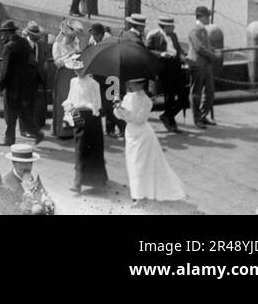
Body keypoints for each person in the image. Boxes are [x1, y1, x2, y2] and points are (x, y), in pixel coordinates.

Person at [115, 79, 187, 202]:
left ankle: (140, 196)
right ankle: (138, 194)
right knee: (132, 164)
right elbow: (119, 116)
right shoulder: (128, 97)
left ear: (142, 84)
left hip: (143, 135)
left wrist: (123, 111)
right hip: (130, 133)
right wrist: (117, 107)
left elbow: (138, 119)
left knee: (140, 165)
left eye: (136, 83)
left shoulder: (147, 101)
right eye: (131, 83)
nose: (132, 85)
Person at [61, 63, 107, 194]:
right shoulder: (73, 81)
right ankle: (78, 182)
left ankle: (99, 179)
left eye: (81, 69)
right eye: (75, 69)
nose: (78, 72)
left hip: (91, 116)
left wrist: (87, 106)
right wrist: (69, 113)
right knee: (79, 147)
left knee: (94, 147)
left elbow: (97, 104)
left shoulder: (94, 84)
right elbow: (70, 99)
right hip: (77, 114)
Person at [0, 20, 41, 146]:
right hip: (24, 86)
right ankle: (36, 133)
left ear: (8, 33)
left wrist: (0, 87)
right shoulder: (24, 43)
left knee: (10, 115)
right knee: (23, 113)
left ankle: (9, 139)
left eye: (2, 34)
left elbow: (4, 70)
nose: (1, 37)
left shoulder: (9, 47)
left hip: (11, 87)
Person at [145, 15, 187, 133]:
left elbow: (177, 49)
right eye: (171, 26)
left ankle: (167, 115)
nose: (173, 27)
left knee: (183, 96)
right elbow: (147, 50)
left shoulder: (173, 35)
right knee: (170, 95)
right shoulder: (154, 36)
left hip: (176, 65)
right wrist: (161, 54)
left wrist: (182, 54)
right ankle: (171, 122)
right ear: (165, 26)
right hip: (165, 67)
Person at [0, 145, 55, 216]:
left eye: (29, 163)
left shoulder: (30, 176)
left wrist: (46, 202)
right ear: (14, 163)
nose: (26, 167)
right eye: (22, 163)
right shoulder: (4, 186)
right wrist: (25, 205)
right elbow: (10, 212)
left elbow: (43, 193)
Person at [50, 20, 85, 138]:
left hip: (74, 74)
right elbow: (57, 63)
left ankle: (72, 130)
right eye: (71, 36)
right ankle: (61, 130)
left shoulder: (76, 43)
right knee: (63, 101)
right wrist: (69, 55)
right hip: (63, 75)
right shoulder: (57, 44)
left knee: (74, 101)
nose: (73, 38)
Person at [186, 5, 217, 129]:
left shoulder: (203, 29)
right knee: (196, 93)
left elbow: (204, 46)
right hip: (197, 65)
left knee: (210, 92)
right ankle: (197, 118)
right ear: (201, 17)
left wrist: (211, 51)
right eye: (207, 16)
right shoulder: (195, 31)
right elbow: (199, 48)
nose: (209, 18)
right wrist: (213, 56)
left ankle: (203, 115)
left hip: (206, 64)